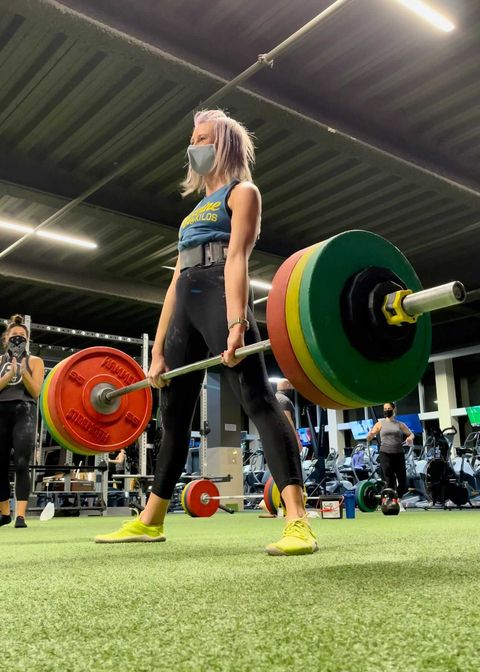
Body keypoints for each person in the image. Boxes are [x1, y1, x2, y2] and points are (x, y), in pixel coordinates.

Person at [95, 109, 317, 555]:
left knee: (257, 400)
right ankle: (151, 519)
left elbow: (237, 259)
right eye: (192, 139)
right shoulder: (189, 216)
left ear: (225, 146)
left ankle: (297, 520)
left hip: (221, 295)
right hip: (186, 308)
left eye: (202, 138)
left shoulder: (243, 193)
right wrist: (157, 350)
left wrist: (237, 322)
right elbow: (176, 282)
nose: (193, 147)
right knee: (172, 417)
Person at [0, 315, 44, 528]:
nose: (18, 339)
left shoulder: (35, 361)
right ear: (5, 339)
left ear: (28, 340)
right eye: (14, 336)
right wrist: (8, 376)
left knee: (21, 463)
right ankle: (4, 513)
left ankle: (20, 516)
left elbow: (35, 392)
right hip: (1, 413)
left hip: (24, 412)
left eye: (22, 336)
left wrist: (21, 371)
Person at [366, 402, 414, 501]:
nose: (386, 410)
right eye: (385, 409)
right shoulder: (380, 424)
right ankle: (392, 499)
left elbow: (411, 434)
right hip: (385, 453)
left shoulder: (399, 424)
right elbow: (371, 435)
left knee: (402, 479)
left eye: (388, 408)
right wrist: (369, 436)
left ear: (393, 409)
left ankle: (399, 498)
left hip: (398, 453)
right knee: (389, 477)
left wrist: (410, 438)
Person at [275, 379, 303, 453]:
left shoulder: (273, 398)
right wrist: (297, 440)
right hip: (286, 441)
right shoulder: (284, 400)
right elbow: (288, 421)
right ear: (288, 385)